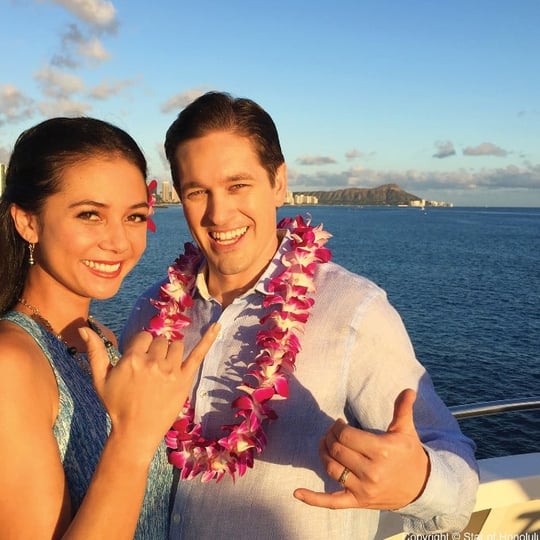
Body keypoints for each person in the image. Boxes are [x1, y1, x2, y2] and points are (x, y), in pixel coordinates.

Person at [121, 91, 479, 539]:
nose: (218, 213)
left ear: (278, 182)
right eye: (197, 192)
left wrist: (418, 482)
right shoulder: (150, 313)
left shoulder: (353, 310)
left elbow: (457, 478)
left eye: (237, 185)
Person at [0, 117, 217, 539]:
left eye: (134, 217)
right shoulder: (12, 365)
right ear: (27, 222)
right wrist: (133, 439)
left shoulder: (100, 339)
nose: (119, 242)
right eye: (90, 215)